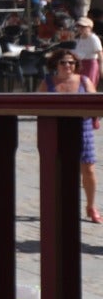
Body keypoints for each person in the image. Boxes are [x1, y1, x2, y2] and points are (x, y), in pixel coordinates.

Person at [39, 47, 100, 224]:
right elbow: (37, 106)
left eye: (71, 62)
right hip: (56, 130)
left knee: (88, 169)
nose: (67, 65)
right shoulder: (47, 82)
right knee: (56, 170)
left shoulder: (84, 81)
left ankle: (91, 206)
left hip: (82, 129)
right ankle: (56, 206)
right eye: (63, 62)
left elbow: (96, 105)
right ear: (56, 64)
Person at [73, 16, 101, 86]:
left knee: (88, 85)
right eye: (79, 26)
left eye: (83, 27)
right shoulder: (77, 38)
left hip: (90, 65)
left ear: (90, 28)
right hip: (79, 64)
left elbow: (100, 54)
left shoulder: (93, 38)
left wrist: (101, 68)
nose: (80, 28)